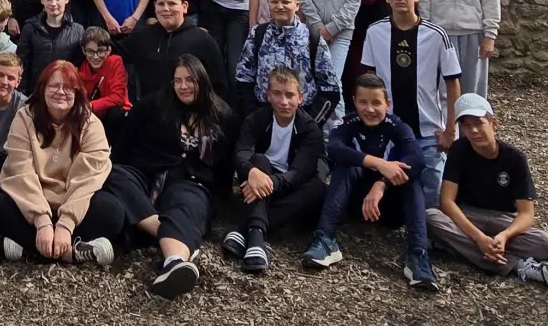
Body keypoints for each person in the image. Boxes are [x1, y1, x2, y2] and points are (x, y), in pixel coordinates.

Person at [102, 55, 236, 299]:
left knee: (188, 201)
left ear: (202, 81)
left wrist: (217, 201)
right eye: (178, 81)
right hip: (147, 175)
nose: (183, 86)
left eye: (190, 80)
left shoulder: (222, 116)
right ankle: (164, 229)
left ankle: (174, 262)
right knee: (110, 172)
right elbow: (124, 146)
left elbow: (224, 167)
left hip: (191, 181)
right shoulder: (153, 106)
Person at [304, 73, 437, 292]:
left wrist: (382, 183)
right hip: (354, 204)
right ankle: (324, 239)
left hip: (390, 209)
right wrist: (378, 163)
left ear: (387, 103)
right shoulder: (347, 122)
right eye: (363, 102)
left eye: (376, 103)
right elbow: (334, 149)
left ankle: (418, 254)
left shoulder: (397, 126)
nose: (370, 109)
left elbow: (418, 159)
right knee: (347, 166)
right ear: (354, 102)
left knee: (410, 178)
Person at [426, 93, 548, 289]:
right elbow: (447, 202)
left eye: (479, 123)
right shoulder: (459, 150)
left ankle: (454, 244)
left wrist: (504, 236)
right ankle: (518, 265)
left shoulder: (515, 159)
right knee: (430, 218)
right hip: (469, 216)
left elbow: (526, 214)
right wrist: (479, 238)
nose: (473, 131)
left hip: (502, 220)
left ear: (494, 124)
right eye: (466, 125)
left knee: (547, 245)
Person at [0, 60, 120, 266]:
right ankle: (72, 252)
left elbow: (87, 178)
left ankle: (28, 245)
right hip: (32, 200)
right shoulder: (24, 118)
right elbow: (20, 170)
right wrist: (42, 221)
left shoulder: (90, 123)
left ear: (77, 92)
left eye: (68, 87)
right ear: (42, 89)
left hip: (72, 200)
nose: (61, 92)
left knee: (112, 212)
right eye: (54, 86)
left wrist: (66, 224)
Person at [361, 0, 462, 208]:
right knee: (387, 185)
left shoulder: (437, 35)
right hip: (389, 127)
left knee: (431, 190)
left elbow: (453, 83)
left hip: (427, 130)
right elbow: (368, 79)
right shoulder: (375, 32)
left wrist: (450, 129)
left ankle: (430, 235)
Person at [223, 66, 327, 272]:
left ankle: (246, 229)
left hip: (287, 186)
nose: (284, 101)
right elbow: (241, 152)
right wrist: (252, 172)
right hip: (259, 180)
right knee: (259, 161)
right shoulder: (256, 119)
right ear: (268, 95)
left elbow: (300, 172)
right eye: (277, 94)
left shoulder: (310, 129)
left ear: (301, 98)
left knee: (317, 189)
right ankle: (256, 243)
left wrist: (269, 183)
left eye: (290, 95)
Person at [234, 0, 339, 123]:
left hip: (302, 115)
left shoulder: (312, 38)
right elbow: (243, 78)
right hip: (263, 116)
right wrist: (253, 117)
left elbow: (331, 89)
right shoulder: (258, 34)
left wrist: (311, 123)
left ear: (297, 5)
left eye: (285, 2)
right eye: (274, 1)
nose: (279, 6)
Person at [120, 0, 227, 101]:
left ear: (185, 6)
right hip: (151, 114)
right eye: (161, 4)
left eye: (172, 4)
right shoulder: (142, 37)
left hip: (190, 113)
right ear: (155, 6)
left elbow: (219, 85)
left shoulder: (203, 41)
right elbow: (109, 51)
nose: (166, 9)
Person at [17, 0, 84, 95]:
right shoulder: (30, 28)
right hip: (36, 94)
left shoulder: (78, 31)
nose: (53, 3)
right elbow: (22, 65)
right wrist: (22, 96)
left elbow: (81, 70)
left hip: (64, 94)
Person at [78, 26, 130, 142]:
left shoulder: (115, 62)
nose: (95, 57)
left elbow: (117, 98)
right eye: (90, 51)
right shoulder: (81, 70)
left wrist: (90, 106)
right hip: (91, 116)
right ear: (83, 51)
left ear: (108, 50)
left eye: (100, 51)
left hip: (113, 116)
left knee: (115, 114)